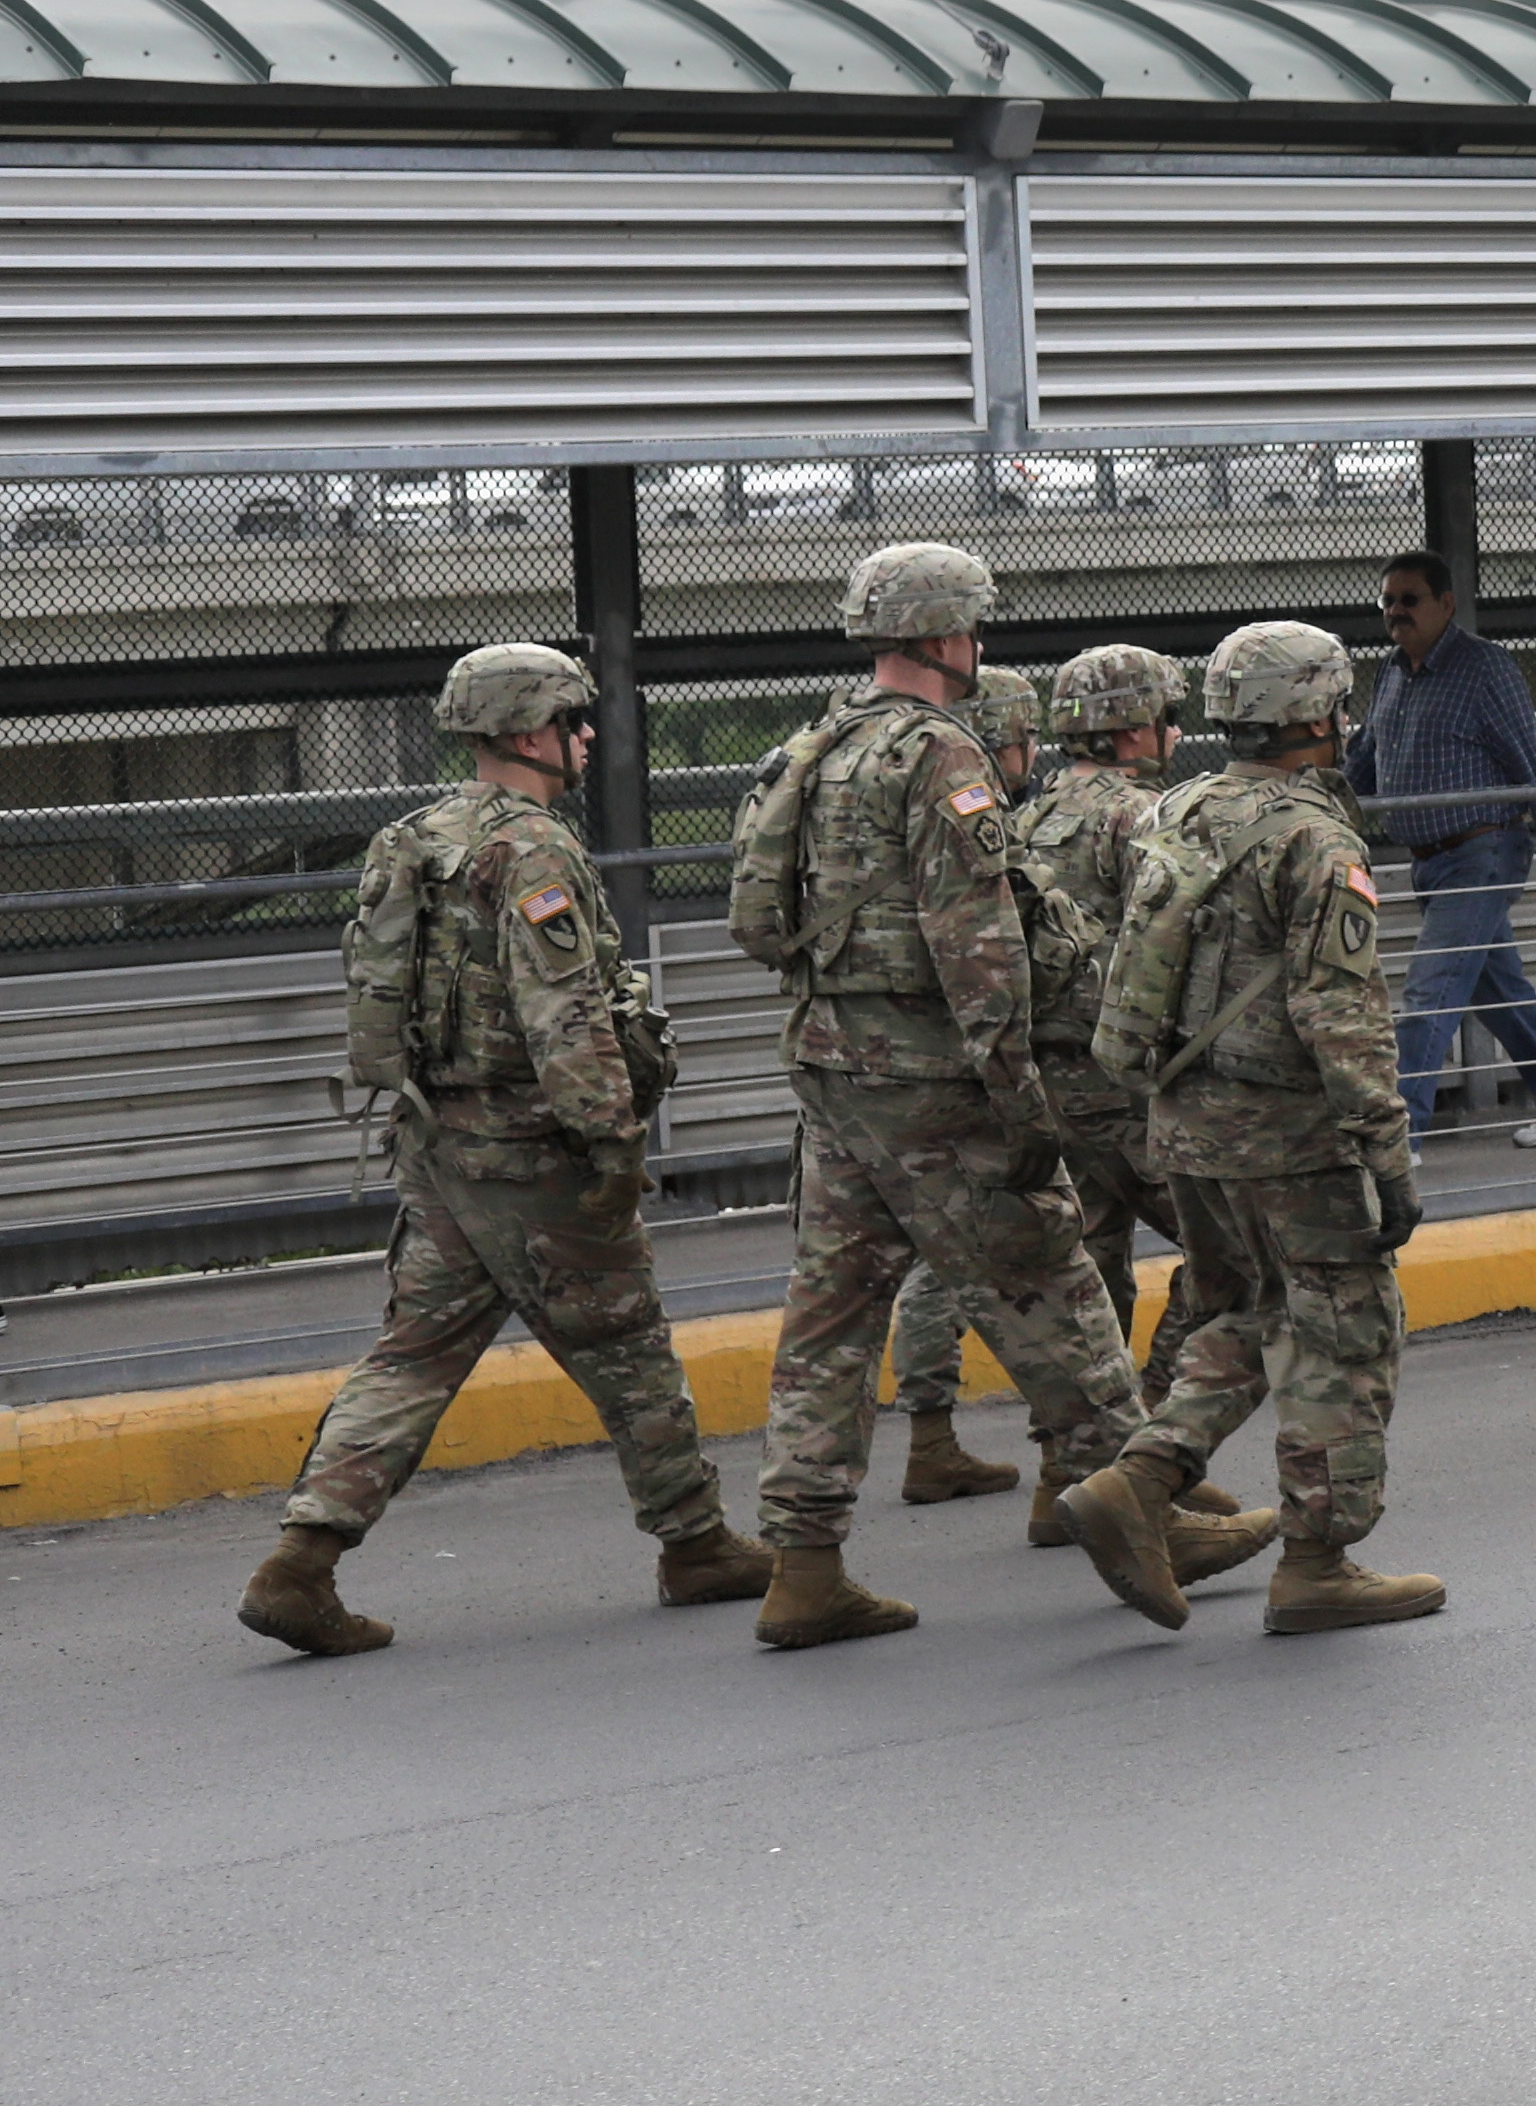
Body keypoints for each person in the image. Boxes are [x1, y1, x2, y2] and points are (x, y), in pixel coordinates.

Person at [236, 645, 767, 1654]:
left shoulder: (414, 837)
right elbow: (563, 1011)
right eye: (574, 719)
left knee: (413, 1355)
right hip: (532, 1154)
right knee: (628, 1341)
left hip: (438, 1143)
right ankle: (696, 1545)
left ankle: (299, 1563)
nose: (588, 736)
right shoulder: (532, 852)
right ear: (529, 732)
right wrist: (613, 1144)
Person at [725, 540, 1157, 1647]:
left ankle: (805, 1566)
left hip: (830, 1070)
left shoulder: (814, 746)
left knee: (829, 1313)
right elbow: (979, 943)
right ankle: (1152, 1504)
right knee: (1053, 1273)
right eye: (974, 624)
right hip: (929, 1080)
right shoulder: (938, 753)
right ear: (945, 635)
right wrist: (1019, 1097)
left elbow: (756, 923)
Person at [1080, 620, 1447, 1633]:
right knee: (1342, 1328)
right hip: (1290, 1132)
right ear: (1320, 714)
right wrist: (1389, 1151)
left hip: (1186, 1123)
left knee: (1244, 1312)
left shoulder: (1180, 804)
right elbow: (1343, 1011)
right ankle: (1317, 1562)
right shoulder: (1315, 837)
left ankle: (1139, 1481)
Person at [885, 639, 1186, 1507]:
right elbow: (1176, 946)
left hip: (1046, 1080)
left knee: (1092, 1271)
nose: (1175, 734)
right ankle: (1152, 1444)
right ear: (1137, 728)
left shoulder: (1030, 812)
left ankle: (1072, 1471)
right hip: (1126, 1080)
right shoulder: (1147, 816)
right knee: (1235, 1250)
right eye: (1168, 717)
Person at [1350, 545, 1536, 1149]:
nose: (1396, 612)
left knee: (1429, 990)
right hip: (1429, 861)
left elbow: (1530, 759)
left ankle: (1397, 1142)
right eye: (1387, 601)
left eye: (1409, 600)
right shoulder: (1391, 671)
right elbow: (1365, 758)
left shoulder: (1485, 668)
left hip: (1482, 852)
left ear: (1446, 603)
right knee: (1498, 988)